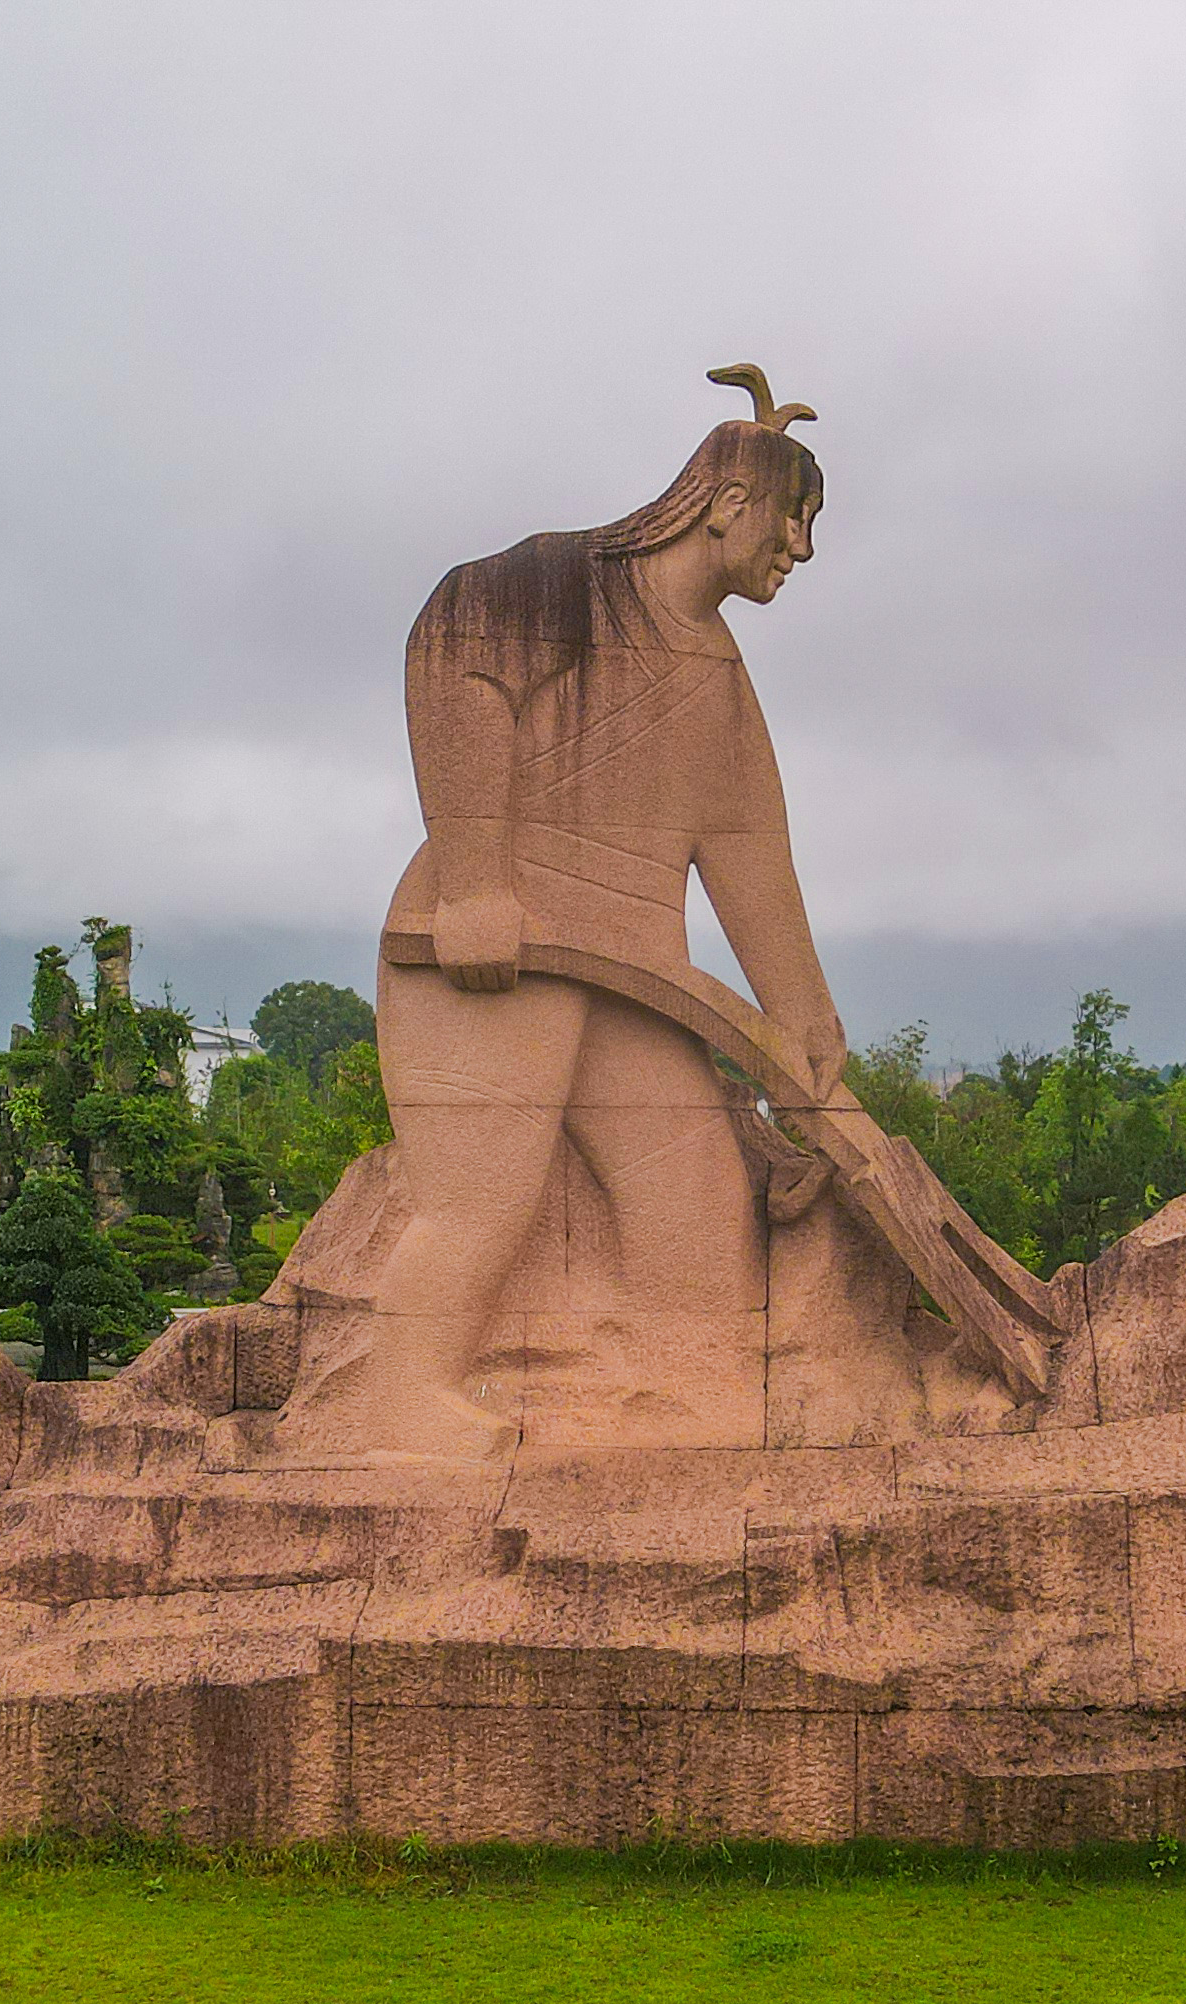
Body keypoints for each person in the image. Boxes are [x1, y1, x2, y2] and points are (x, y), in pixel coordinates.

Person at [284, 369, 847, 1457]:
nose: (802, 550)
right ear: (731, 503)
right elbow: (451, 658)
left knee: (698, 1204)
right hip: (493, 960)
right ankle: (404, 1403)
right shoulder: (548, 589)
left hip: (635, 976)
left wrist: (805, 1020)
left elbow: (748, 852)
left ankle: (672, 1400)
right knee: (480, 1201)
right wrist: (475, 879)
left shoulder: (718, 678)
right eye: (794, 519)